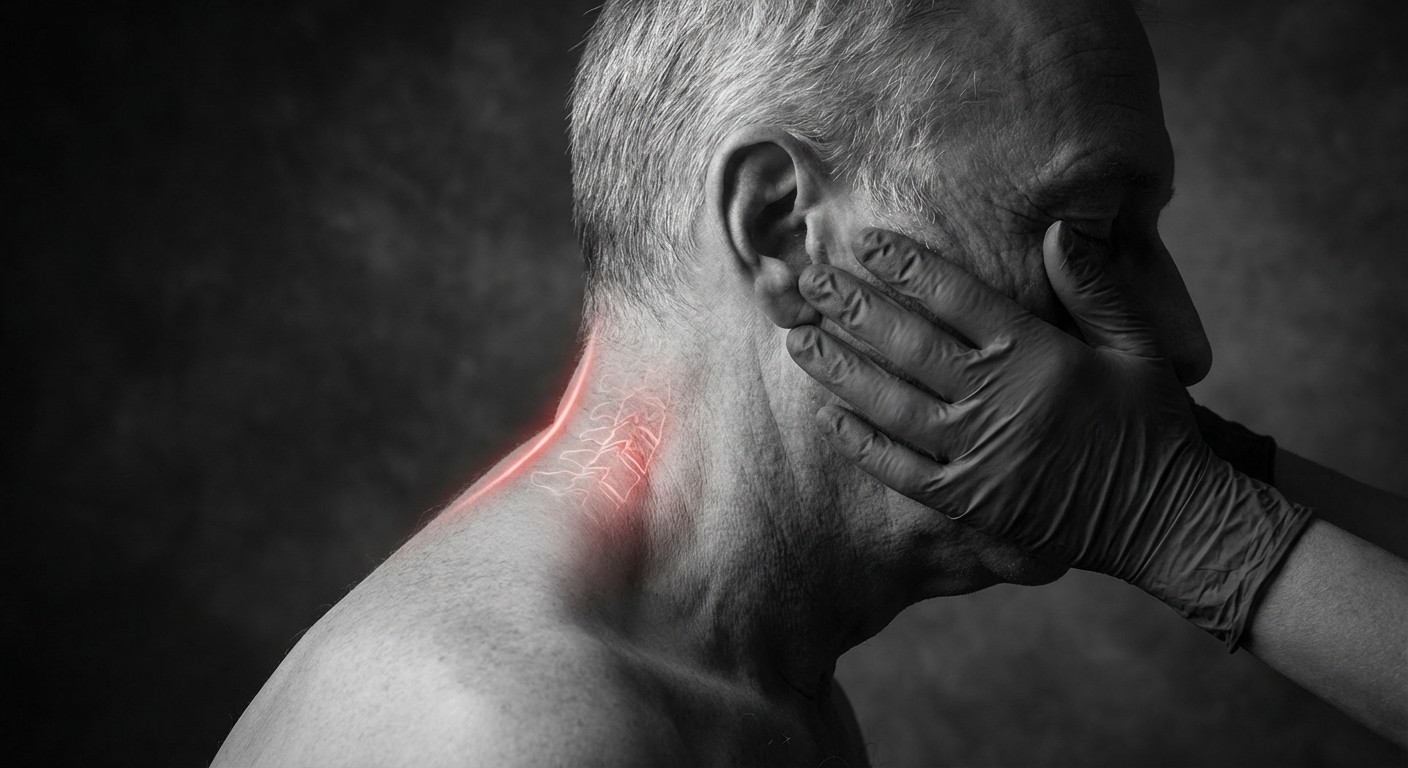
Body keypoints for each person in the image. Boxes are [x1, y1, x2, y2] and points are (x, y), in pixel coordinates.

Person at [212, 0, 1404, 765]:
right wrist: (1183, 515)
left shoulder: (744, 689)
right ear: (782, 229)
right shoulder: (519, 733)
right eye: (1089, 230)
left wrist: (1197, 500)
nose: (1183, 342)